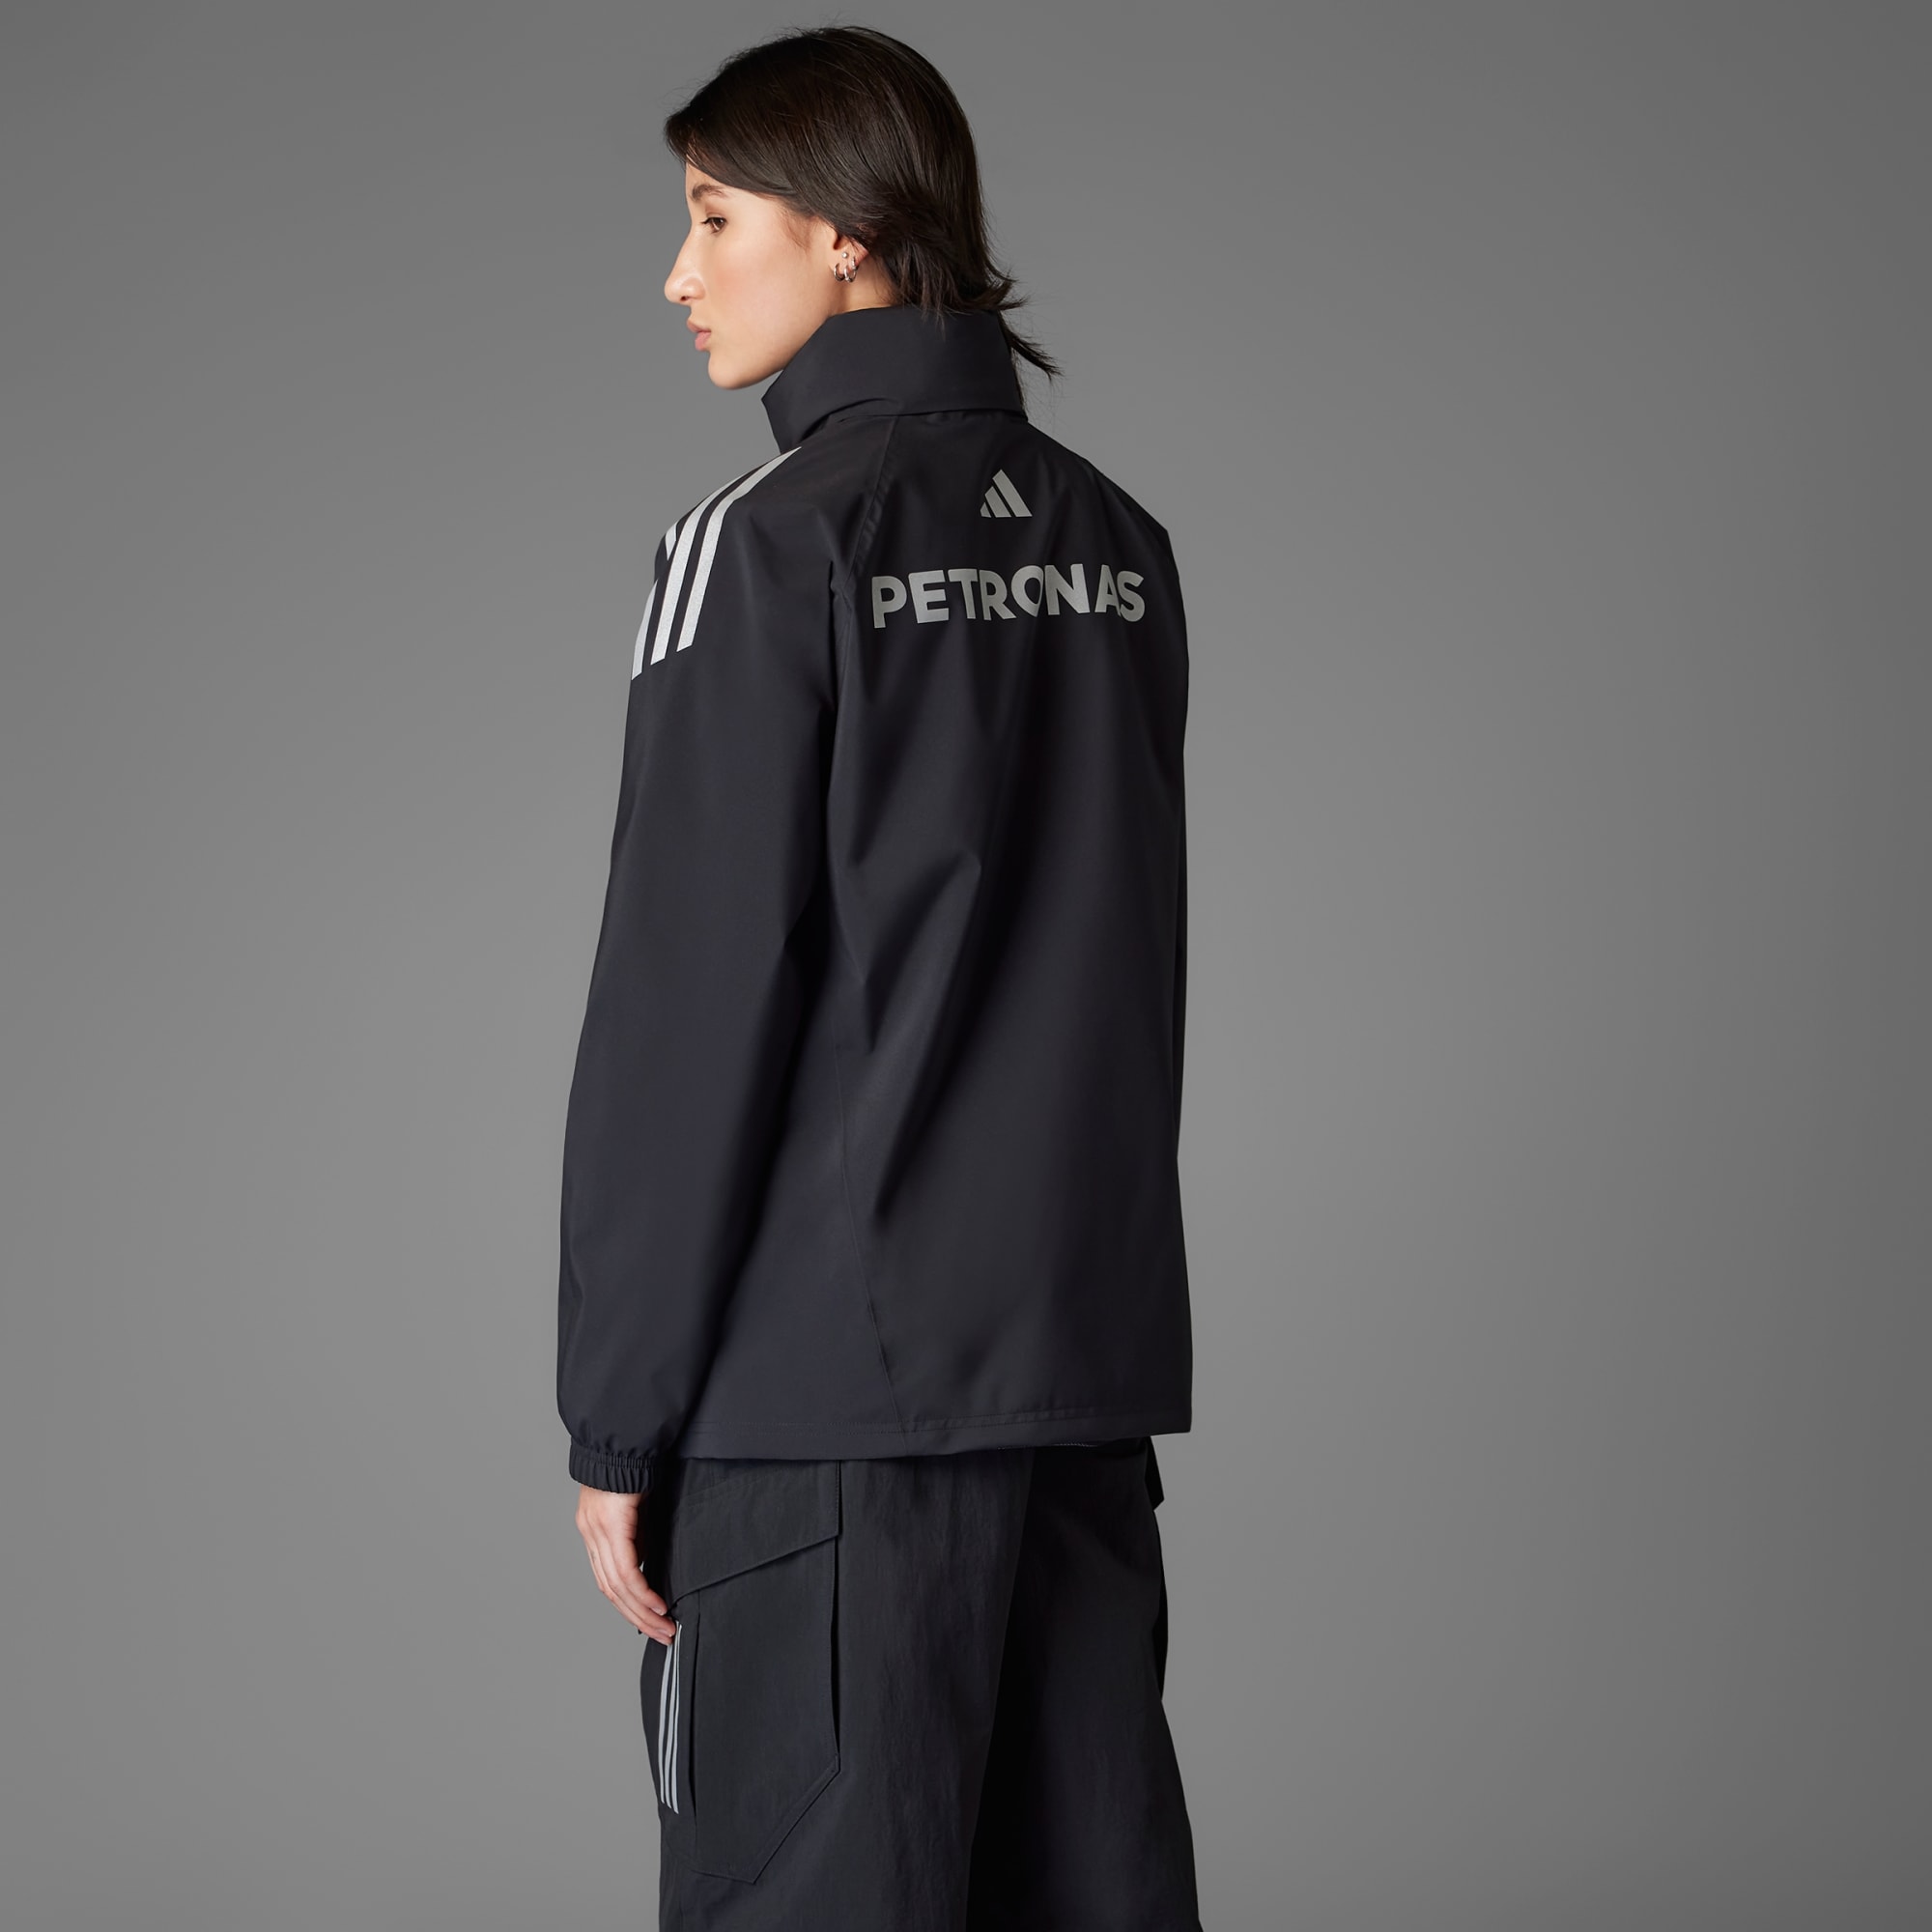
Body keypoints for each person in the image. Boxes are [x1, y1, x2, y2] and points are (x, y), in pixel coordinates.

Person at [555, 25, 1200, 1930]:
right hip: (1074, 1386)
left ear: (845, 230)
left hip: (818, 1405)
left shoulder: (759, 550)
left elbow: (684, 1019)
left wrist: (616, 1421)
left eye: (713, 217)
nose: (679, 275)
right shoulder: (1118, 548)